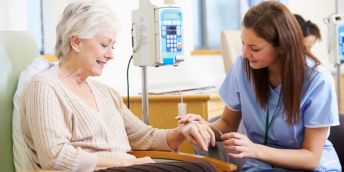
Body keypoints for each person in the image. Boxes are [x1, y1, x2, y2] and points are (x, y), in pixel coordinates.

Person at [20, 0, 216, 171]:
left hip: (125, 168)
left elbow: (145, 136)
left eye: (112, 46)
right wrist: (127, 163)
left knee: (205, 166)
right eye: (104, 45)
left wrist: (181, 132)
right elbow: (55, 157)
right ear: (76, 42)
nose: (111, 55)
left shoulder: (107, 94)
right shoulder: (45, 87)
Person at [181, 1, 341, 171]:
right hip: (261, 166)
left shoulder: (317, 79)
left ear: (281, 46)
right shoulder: (243, 67)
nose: (246, 53)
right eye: (243, 44)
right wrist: (202, 128)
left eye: (255, 48)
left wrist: (255, 150)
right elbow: (227, 124)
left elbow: (311, 158)